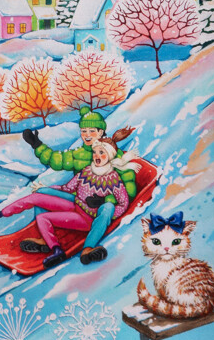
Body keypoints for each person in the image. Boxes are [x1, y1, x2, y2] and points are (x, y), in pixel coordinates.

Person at [0, 131, 140, 269]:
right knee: (37, 196)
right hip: (75, 205)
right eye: (95, 152)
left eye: (102, 153)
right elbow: (68, 188)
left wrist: (102, 206)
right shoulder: (86, 171)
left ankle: (81, 249)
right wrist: (47, 189)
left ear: (109, 157)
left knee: (45, 217)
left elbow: (123, 203)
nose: (97, 156)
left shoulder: (113, 179)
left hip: (87, 218)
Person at [10, 106, 138, 264]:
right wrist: (37, 145)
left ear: (101, 132)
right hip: (77, 199)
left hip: (97, 207)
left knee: (106, 208)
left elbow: (128, 187)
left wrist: (105, 200)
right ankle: (45, 238)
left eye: (92, 131)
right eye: (84, 131)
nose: (87, 135)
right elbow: (57, 160)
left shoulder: (113, 155)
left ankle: (88, 248)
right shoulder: (79, 154)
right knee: (42, 193)